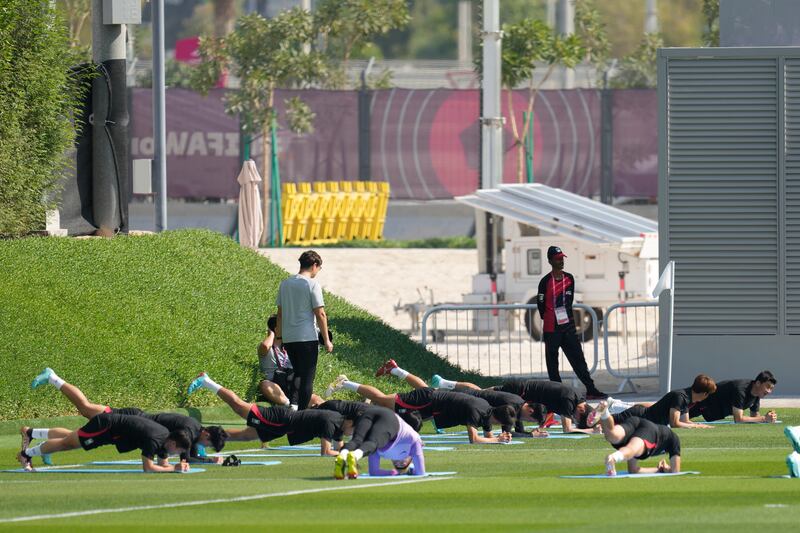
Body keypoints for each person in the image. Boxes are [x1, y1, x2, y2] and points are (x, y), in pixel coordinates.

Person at [25, 367, 228, 465]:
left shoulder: (193, 428)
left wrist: (203, 459)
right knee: (85, 410)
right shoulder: (189, 431)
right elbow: (184, 455)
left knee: (78, 435)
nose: (204, 447)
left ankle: (44, 443)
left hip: (132, 423)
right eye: (208, 445)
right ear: (207, 435)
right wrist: (209, 461)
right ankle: (53, 377)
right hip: (130, 419)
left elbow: (185, 455)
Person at [187, 372, 345, 455]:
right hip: (281, 419)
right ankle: (206, 381)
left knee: (245, 436)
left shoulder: (339, 423)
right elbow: (327, 450)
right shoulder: (334, 420)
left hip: (283, 426)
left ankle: (203, 441)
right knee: (239, 406)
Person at [325, 375, 516, 444]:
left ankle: (367, 411)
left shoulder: (488, 411)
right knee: (381, 400)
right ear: (498, 420)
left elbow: (487, 437)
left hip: (432, 406)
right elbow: (474, 439)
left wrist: (497, 439)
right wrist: (497, 439)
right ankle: (345, 383)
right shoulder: (478, 412)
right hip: (426, 400)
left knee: (391, 415)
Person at [376, 359, 544, 437]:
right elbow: (509, 429)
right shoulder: (514, 406)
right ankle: (443, 384)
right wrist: (528, 435)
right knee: (425, 399)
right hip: (470, 400)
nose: (528, 421)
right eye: (531, 419)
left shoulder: (517, 404)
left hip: (475, 399)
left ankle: (396, 370)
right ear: (529, 409)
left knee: (425, 392)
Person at [536, 246, 606, 400]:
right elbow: (540, 304)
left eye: (562, 258)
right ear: (550, 261)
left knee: (578, 358)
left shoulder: (569, 278)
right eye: (557, 259)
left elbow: (569, 301)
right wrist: (548, 317)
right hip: (551, 327)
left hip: (568, 326)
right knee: (552, 362)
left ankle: (591, 389)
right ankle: (557, 392)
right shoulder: (545, 281)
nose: (561, 261)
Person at [18, 412, 191, 473]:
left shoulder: (166, 439)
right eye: (178, 451)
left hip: (111, 430)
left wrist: (174, 467)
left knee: (72, 438)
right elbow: (148, 468)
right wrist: (174, 468)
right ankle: (26, 454)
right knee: (67, 444)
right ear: (173, 443)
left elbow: (163, 463)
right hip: (106, 426)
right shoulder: (155, 440)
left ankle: (31, 432)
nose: (176, 454)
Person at [431, 375, 597, 435]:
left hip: (524, 393)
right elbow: (567, 429)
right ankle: (446, 384)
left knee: (480, 394)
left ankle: (445, 385)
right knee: (480, 393)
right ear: (581, 409)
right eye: (576, 418)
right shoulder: (570, 401)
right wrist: (589, 430)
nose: (573, 419)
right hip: (521, 390)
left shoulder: (578, 397)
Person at [276, 250, 333, 410]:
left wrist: (279, 337)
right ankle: (302, 413)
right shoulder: (312, 284)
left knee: (299, 374)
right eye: (319, 268)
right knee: (307, 378)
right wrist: (327, 340)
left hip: (289, 338)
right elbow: (320, 313)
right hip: (307, 338)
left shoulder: (285, 284)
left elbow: (280, 314)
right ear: (315, 265)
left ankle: (295, 406)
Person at [315, 399, 425, 479]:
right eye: (404, 463)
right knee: (372, 443)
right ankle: (354, 455)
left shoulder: (380, 451)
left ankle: (342, 455)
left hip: (371, 412)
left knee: (357, 441)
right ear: (411, 457)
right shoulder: (415, 442)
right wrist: (405, 472)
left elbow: (374, 472)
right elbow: (420, 472)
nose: (400, 463)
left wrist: (393, 472)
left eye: (398, 465)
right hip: (390, 419)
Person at [594, 401, 681, 476]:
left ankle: (605, 413)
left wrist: (659, 470)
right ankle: (613, 458)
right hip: (651, 431)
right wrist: (666, 469)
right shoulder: (673, 439)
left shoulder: (667, 436)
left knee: (612, 436)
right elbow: (675, 471)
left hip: (636, 421)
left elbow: (633, 470)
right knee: (631, 449)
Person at [600, 374, 717, 429]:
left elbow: (685, 421)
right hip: (638, 416)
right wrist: (696, 427)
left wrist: (699, 425)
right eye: (708, 395)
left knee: (603, 425)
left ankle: (593, 417)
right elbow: (674, 423)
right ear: (704, 394)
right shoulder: (681, 397)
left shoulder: (688, 398)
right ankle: (587, 418)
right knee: (601, 424)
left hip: (644, 418)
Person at [687, 371, 778, 424]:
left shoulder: (757, 393)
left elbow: (754, 416)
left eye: (771, 388)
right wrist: (764, 419)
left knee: (681, 419)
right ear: (758, 383)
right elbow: (738, 419)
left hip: (710, 409)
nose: (769, 391)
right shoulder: (741, 389)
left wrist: (768, 417)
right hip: (701, 401)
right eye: (768, 387)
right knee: (677, 418)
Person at [258, 314, 294, 408]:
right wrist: (271, 334)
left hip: (291, 385)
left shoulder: (289, 348)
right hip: (274, 385)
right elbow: (265, 346)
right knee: (264, 385)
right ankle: (288, 405)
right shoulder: (266, 347)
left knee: (316, 399)